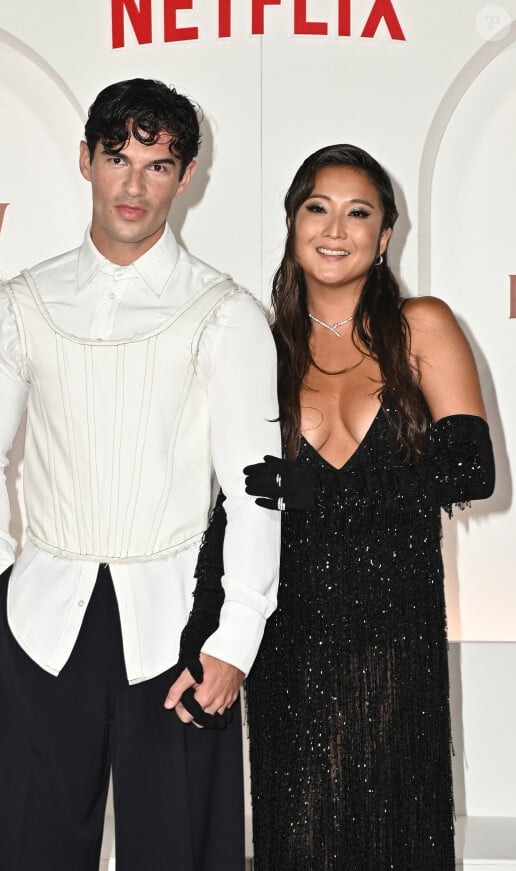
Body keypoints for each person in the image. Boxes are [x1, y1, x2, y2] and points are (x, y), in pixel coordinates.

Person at [0, 78, 280, 871]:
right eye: (117, 159)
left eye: (158, 165)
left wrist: (235, 637)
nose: (134, 185)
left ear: (187, 176)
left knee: (180, 855)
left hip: (180, 633)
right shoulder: (22, 303)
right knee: (29, 852)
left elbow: (255, 488)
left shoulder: (225, 312)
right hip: (38, 625)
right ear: (86, 160)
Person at [188, 144, 495, 870]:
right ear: (293, 224)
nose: (336, 228)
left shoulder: (422, 325)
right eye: (317, 208)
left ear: (385, 235)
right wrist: (204, 633)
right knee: (298, 842)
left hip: (396, 640)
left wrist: (331, 490)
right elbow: (231, 509)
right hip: (292, 641)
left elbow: (471, 468)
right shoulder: (261, 347)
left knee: (399, 839)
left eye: (359, 212)